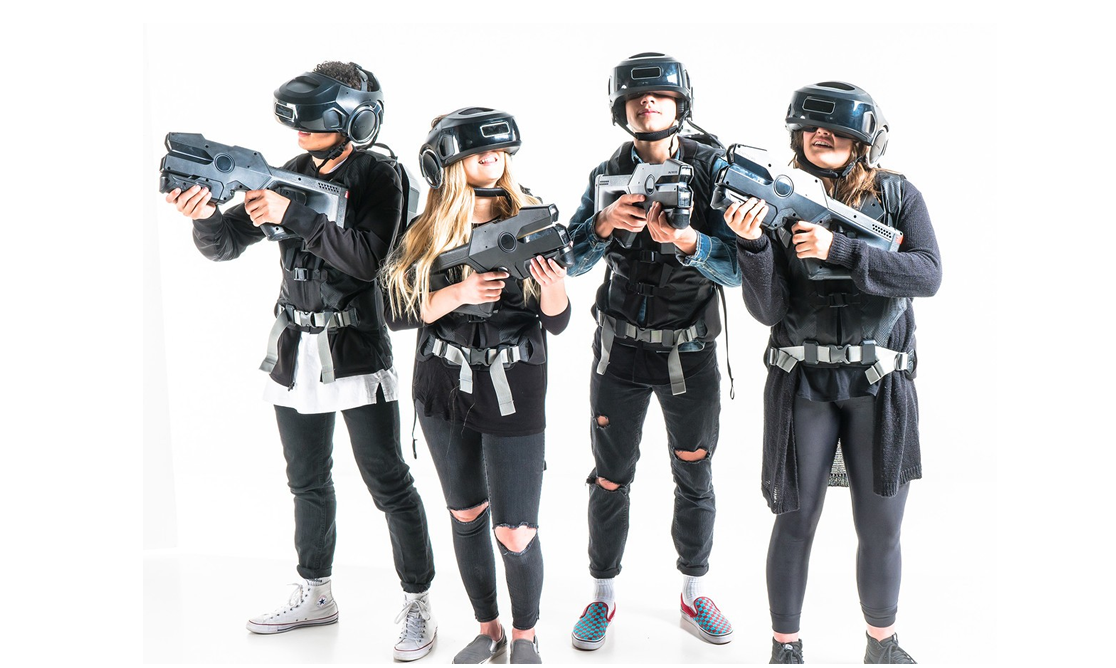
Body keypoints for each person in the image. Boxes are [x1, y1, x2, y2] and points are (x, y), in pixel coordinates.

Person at [163, 61, 438, 662]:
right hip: (295, 348)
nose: (301, 132)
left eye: (314, 121)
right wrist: (204, 216)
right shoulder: (287, 173)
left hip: (356, 349)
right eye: (298, 122)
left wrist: (293, 216)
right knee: (307, 479)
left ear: (354, 120)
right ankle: (316, 592)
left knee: (387, 480)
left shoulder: (381, 176)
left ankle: (419, 600)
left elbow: (369, 260)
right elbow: (225, 245)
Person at [725, 81, 941, 664]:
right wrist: (752, 246)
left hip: (880, 385)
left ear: (864, 141)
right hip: (804, 384)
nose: (822, 136)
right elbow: (768, 310)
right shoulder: (773, 201)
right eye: (812, 128)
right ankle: (786, 648)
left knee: (881, 527)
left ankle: (882, 644)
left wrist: (838, 249)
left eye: (836, 128)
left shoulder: (898, 195)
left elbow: (927, 274)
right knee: (794, 521)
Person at [565, 52, 741, 650]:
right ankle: (602, 597)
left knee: (694, 469)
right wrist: (605, 224)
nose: (647, 103)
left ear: (679, 106)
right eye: (636, 98)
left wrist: (690, 241)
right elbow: (569, 263)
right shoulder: (606, 174)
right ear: (622, 111)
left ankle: (694, 592)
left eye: (660, 96)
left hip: (690, 354)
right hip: (619, 352)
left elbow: (739, 272)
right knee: (610, 478)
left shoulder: (712, 172)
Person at [382, 107, 570, 664]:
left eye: (498, 150)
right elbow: (394, 312)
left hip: (514, 385)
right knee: (466, 514)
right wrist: (458, 295)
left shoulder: (530, 216)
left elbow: (558, 319)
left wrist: (553, 286)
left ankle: (526, 635)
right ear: (448, 162)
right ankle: (489, 629)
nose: (491, 158)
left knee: (515, 531)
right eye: (476, 151)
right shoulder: (425, 228)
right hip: (443, 386)